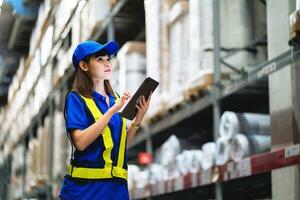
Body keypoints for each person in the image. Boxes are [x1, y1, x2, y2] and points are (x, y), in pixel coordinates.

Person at [59, 40, 152, 200]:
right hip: (86, 191)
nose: (107, 63)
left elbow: (122, 145)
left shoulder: (115, 98)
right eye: (100, 59)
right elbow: (80, 142)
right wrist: (112, 111)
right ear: (84, 66)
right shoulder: (76, 99)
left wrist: (138, 118)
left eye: (108, 59)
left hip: (117, 190)